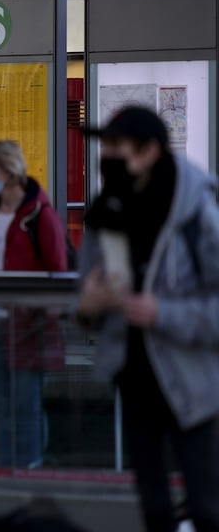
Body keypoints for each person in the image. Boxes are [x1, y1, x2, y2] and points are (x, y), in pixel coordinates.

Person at [76, 107, 219, 532]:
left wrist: (164, 313)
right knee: (153, 508)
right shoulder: (106, 211)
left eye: (117, 146)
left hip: (193, 382)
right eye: (105, 146)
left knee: (207, 508)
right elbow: (83, 298)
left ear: (149, 151)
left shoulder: (198, 211)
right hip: (133, 377)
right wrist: (89, 308)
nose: (108, 155)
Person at [0, 140, 67, 469]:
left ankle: (29, 469)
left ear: (8, 170)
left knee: (27, 403)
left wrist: (45, 313)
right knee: (4, 403)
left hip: (29, 324)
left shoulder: (40, 215)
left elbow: (59, 269)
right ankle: (8, 469)